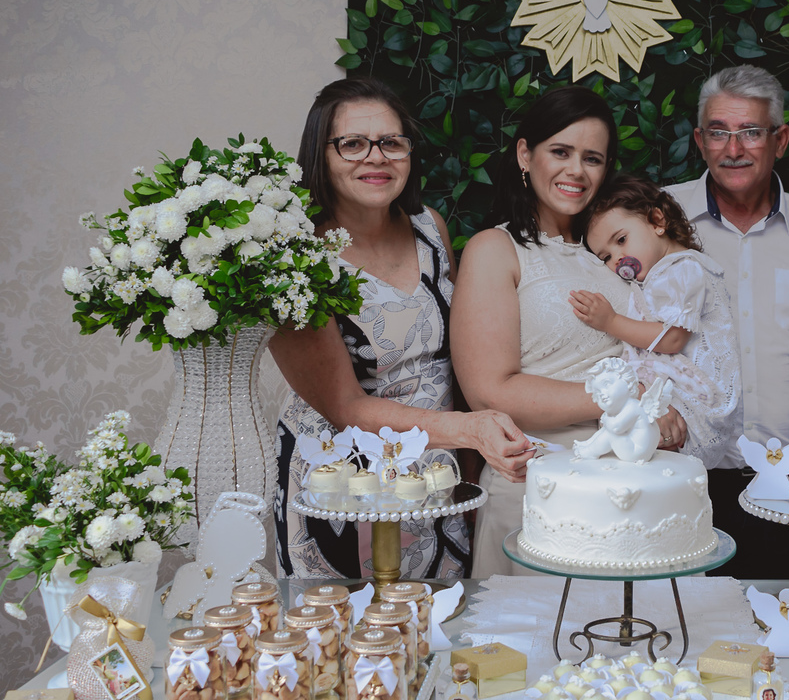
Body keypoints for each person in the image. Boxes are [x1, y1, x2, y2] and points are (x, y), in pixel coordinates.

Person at [269, 77, 530, 580]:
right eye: (352, 143)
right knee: (351, 644)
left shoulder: (429, 227)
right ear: (319, 154)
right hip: (344, 488)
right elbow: (345, 407)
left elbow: (454, 361)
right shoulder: (294, 259)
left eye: (392, 142)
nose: (376, 157)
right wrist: (470, 432)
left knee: (438, 632)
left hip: (435, 478)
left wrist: (469, 471)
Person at [451, 85, 688, 578]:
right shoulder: (495, 249)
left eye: (592, 158)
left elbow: (669, 336)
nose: (576, 171)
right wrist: (628, 398)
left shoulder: (617, 250)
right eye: (560, 151)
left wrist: (668, 410)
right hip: (542, 487)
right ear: (524, 154)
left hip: (640, 493)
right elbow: (489, 390)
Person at [666, 65, 789, 578]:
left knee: (788, 630)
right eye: (719, 132)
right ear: (699, 140)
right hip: (684, 481)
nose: (733, 149)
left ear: (779, 139)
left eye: (751, 132)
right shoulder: (655, 220)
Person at [569, 173, 741, 467]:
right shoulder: (658, 274)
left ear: (657, 222)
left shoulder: (683, 269)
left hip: (693, 400)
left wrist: (610, 321)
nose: (619, 260)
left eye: (621, 240)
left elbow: (673, 339)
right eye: (607, 256)